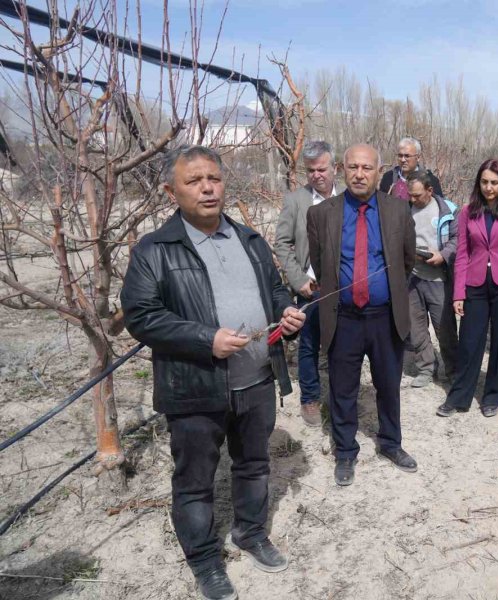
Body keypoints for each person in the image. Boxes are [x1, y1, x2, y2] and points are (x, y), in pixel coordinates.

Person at [121, 146, 306, 600]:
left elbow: (277, 288)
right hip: (195, 387)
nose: (207, 188)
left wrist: (286, 313)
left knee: (254, 464)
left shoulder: (249, 240)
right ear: (172, 190)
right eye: (194, 181)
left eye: (215, 179)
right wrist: (206, 339)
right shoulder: (154, 250)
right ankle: (205, 561)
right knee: (194, 481)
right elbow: (141, 316)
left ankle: (250, 532)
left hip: (257, 379)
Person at [307, 143, 417, 486]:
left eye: (367, 168)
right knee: (342, 388)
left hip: (385, 317)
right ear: (342, 169)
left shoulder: (399, 210)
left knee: (388, 385)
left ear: (377, 170)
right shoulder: (322, 214)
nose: (359, 173)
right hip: (344, 318)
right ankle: (344, 452)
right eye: (353, 167)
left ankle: (390, 443)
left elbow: (407, 259)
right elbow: (321, 262)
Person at [437, 159, 498, 417]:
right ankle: (459, 396)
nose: (489, 188)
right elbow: (463, 255)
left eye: (494, 182)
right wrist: (458, 293)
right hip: (475, 286)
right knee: (469, 342)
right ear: (478, 183)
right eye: (484, 182)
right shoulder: (468, 212)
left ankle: (493, 396)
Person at [274, 141, 344, 427]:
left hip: (344, 285)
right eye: (311, 170)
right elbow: (282, 243)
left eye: (322, 169)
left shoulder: (349, 198)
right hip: (312, 287)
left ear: (334, 168)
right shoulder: (295, 201)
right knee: (309, 344)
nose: (317, 175)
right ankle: (310, 399)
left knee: (343, 342)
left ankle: (341, 395)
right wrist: (299, 280)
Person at [406, 170, 460, 387]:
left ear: (430, 190)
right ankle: (426, 368)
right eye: (410, 195)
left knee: (444, 329)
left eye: (417, 195)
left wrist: (443, 255)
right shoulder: (405, 210)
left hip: (439, 279)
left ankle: (454, 370)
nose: (413, 199)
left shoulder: (449, 210)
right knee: (416, 327)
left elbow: (458, 239)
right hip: (412, 278)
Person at [378, 136, 444, 200]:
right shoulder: (388, 178)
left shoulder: (431, 180)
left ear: (418, 157)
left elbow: (441, 207)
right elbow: (381, 205)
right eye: (400, 156)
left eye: (407, 156)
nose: (403, 160)